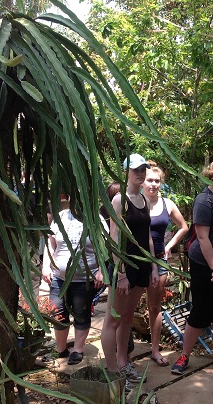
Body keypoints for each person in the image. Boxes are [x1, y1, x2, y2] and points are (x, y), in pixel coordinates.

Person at [171, 158, 213, 380]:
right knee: (200, 311)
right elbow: (202, 237)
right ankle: (184, 355)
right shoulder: (204, 200)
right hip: (205, 265)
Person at [101, 153, 158, 388]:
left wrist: (154, 266)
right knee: (112, 321)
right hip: (124, 267)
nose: (140, 173)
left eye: (143, 169)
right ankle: (113, 371)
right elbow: (114, 238)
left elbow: (147, 237)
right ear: (125, 172)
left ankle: (124, 362)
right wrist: (121, 273)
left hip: (142, 265)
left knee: (127, 319)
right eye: (135, 169)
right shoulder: (119, 200)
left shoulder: (143, 199)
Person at [42, 196, 107, 365]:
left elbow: (105, 247)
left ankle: (78, 349)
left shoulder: (96, 219)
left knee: (81, 312)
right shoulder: (60, 217)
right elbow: (50, 243)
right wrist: (46, 266)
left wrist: (101, 270)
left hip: (85, 278)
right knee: (57, 312)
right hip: (59, 277)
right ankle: (61, 349)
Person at [143, 162, 189, 366]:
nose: (153, 184)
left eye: (157, 181)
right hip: (135, 259)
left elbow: (184, 226)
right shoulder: (135, 202)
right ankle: (123, 351)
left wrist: (169, 245)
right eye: (149, 180)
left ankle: (154, 349)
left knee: (154, 306)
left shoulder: (167, 203)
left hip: (159, 258)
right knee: (124, 308)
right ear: (142, 182)